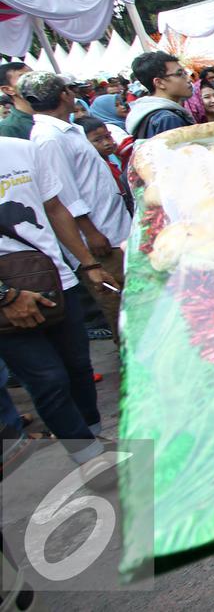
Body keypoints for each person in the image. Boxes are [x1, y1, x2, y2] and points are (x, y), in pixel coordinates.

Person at [0, 129, 118, 475]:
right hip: (7, 301)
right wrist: (6, 297)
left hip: (56, 281)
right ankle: (89, 459)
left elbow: (54, 208)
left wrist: (89, 264)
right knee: (48, 379)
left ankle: (92, 437)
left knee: (78, 368)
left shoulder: (22, 150)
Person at [19, 72, 130, 342]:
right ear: (64, 95)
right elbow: (63, 197)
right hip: (100, 238)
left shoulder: (69, 129)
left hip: (113, 228)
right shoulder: (49, 138)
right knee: (121, 313)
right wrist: (90, 234)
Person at [126, 51, 195, 139]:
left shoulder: (144, 112)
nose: (189, 79)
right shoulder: (167, 119)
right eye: (179, 74)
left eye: (185, 73)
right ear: (159, 83)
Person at [0, 63, 34, 139]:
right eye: (25, 78)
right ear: (8, 90)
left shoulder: (56, 109)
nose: (34, 80)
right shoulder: (9, 128)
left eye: (34, 75)